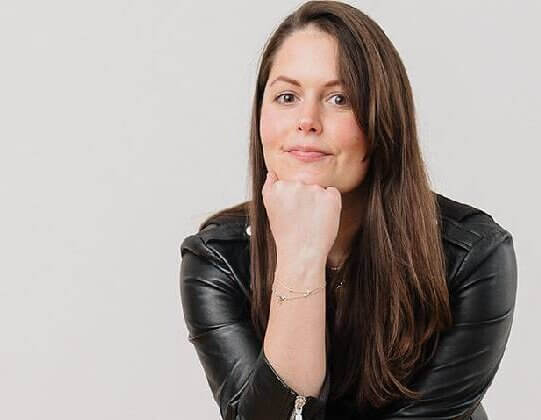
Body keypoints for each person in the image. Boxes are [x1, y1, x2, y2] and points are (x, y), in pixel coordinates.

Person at [179, 1, 518, 419]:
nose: (307, 120)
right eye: (287, 96)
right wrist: (300, 259)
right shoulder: (219, 260)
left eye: (339, 98)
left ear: (383, 120)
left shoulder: (471, 255)